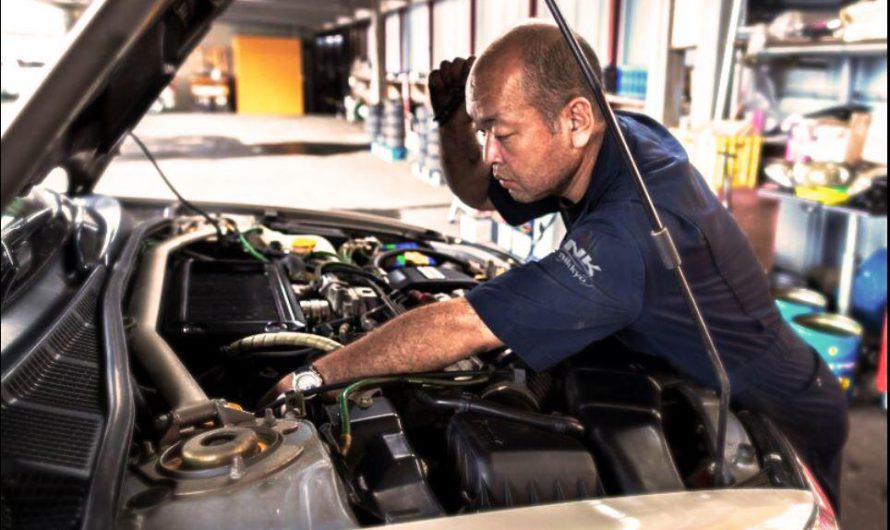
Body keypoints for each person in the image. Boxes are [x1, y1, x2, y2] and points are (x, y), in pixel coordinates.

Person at [290, 22, 847, 510]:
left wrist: (314, 375)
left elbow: (463, 325)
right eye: (483, 132)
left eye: (501, 133)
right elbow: (478, 194)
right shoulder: (605, 144)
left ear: (576, 119)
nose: (488, 152)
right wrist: (454, 118)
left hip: (777, 419)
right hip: (682, 379)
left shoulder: (633, 230)